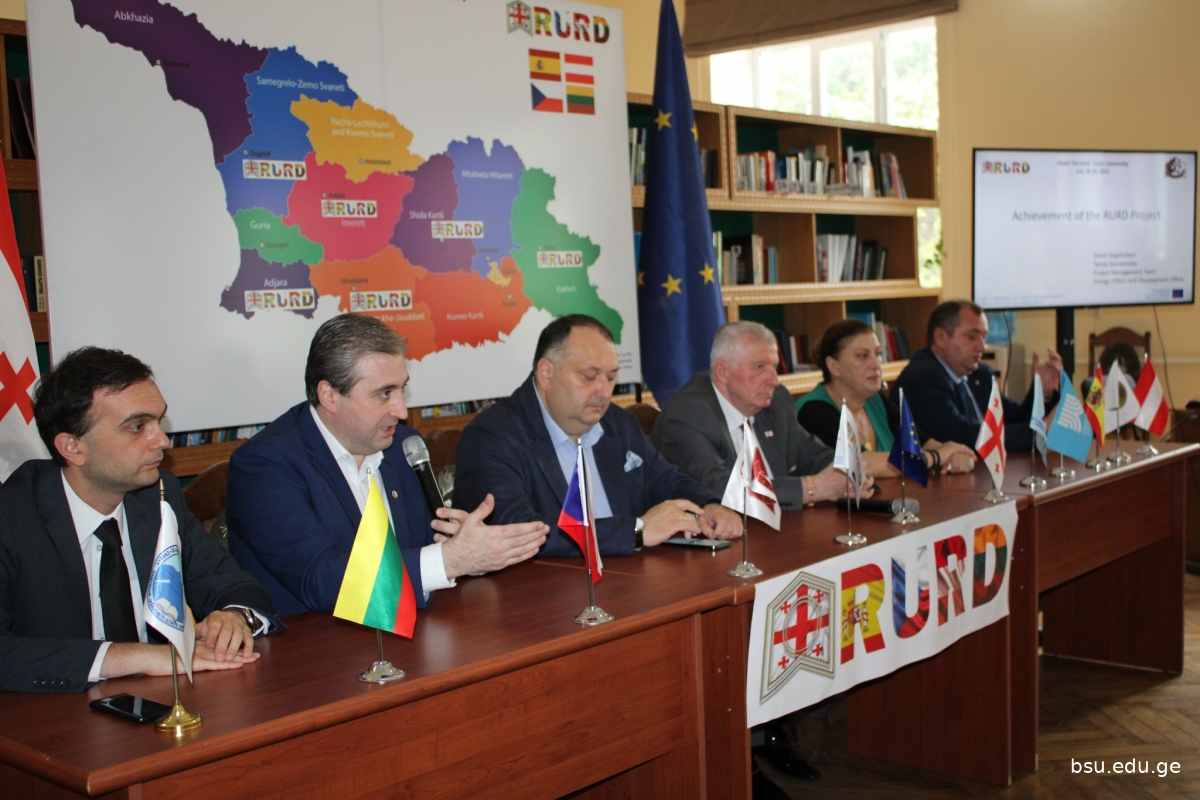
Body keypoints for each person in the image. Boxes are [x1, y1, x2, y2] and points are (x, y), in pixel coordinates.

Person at [226, 314, 548, 617]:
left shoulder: (402, 446)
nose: (402, 410)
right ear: (329, 395)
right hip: (314, 646)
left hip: (405, 633)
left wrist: (469, 550)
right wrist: (449, 560)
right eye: (384, 394)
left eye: (401, 389)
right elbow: (319, 578)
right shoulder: (264, 466)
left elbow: (424, 551)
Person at [0, 347, 279, 693]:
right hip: (51, 713)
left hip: (157, 702)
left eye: (159, 421)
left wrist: (234, 617)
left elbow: (237, 587)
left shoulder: (158, 495)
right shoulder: (12, 516)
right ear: (72, 447)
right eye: (136, 427)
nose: (162, 440)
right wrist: (139, 657)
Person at [454, 314, 742, 555]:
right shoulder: (491, 437)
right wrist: (636, 531)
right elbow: (514, 531)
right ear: (546, 373)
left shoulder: (618, 423)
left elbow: (665, 481)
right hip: (539, 594)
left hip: (626, 582)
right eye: (589, 377)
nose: (604, 392)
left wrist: (710, 506)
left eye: (611, 377)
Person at [653, 320, 874, 509]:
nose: (774, 380)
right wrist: (813, 488)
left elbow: (815, 456)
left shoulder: (776, 402)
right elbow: (724, 491)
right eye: (760, 367)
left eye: (774, 367)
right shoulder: (687, 416)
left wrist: (847, 476)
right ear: (723, 372)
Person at [797, 319, 976, 475]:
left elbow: (922, 442)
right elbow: (860, 464)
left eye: (878, 354)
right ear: (833, 366)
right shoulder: (813, 412)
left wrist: (955, 454)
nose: (876, 364)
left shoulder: (875, 401)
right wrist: (935, 457)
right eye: (863, 356)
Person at [892, 300, 1061, 451]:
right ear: (941, 337)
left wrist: (1042, 393)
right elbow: (963, 437)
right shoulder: (922, 378)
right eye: (972, 337)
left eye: (984, 337)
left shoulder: (980, 374)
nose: (982, 347)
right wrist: (1038, 433)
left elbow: (1012, 420)